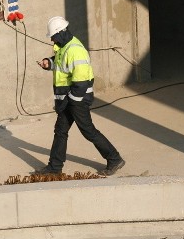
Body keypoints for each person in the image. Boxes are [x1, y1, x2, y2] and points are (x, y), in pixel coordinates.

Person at [34, 16, 125, 176]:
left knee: (88, 131)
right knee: (60, 131)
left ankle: (114, 158)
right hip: (68, 99)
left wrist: (73, 102)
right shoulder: (64, 47)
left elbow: (81, 82)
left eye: (53, 37)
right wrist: (49, 63)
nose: (52, 40)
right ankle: (55, 168)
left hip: (77, 100)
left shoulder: (76, 50)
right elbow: (62, 63)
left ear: (61, 33)